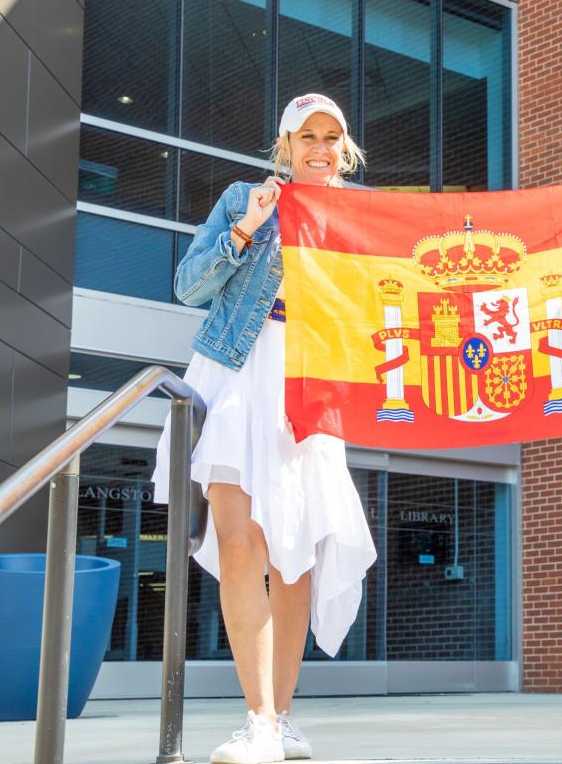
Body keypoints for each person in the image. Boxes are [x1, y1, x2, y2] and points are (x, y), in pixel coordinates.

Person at [151, 93, 377, 764]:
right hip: (236, 371)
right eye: (306, 135)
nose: (319, 147)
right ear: (285, 146)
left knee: (296, 555)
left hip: (311, 384)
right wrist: (245, 228)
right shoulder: (244, 199)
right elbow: (188, 287)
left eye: (331, 136)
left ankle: (282, 716)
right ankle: (259, 725)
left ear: (344, 148)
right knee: (240, 543)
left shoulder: (363, 217)